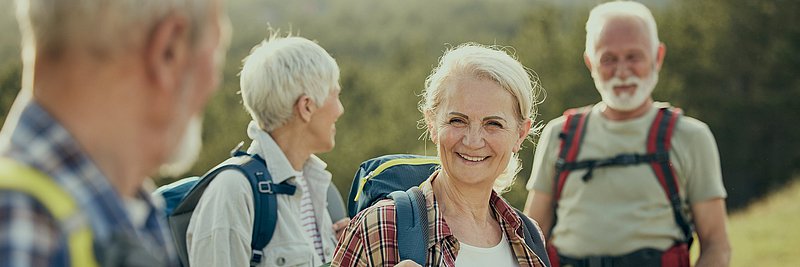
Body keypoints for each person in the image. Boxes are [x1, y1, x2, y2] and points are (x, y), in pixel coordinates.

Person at [0, 0, 231, 266]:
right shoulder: (23, 226)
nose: (215, 82)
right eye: (216, 52)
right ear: (169, 50)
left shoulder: (133, 213)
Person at [523, 1, 731, 266]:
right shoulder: (559, 135)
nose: (622, 71)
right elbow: (531, 238)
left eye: (634, 57)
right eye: (608, 59)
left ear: (658, 56)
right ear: (590, 63)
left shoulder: (690, 137)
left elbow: (716, 246)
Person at [331, 43, 547, 267]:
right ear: (432, 124)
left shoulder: (529, 236)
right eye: (457, 121)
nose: (473, 141)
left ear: (520, 134)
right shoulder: (379, 228)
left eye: (493, 124)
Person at [185, 35, 349, 267]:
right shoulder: (232, 193)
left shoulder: (316, 186)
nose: (340, 110)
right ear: (307, 106)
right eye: (336, 95)